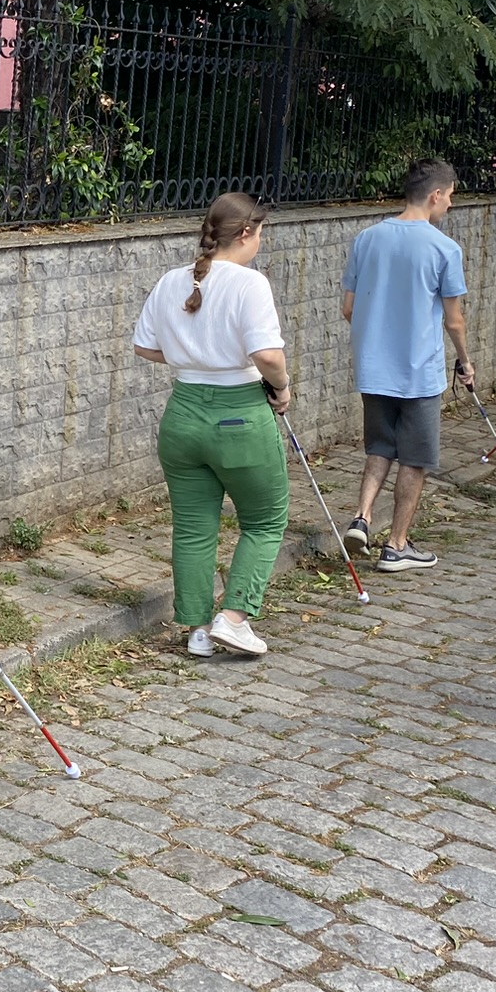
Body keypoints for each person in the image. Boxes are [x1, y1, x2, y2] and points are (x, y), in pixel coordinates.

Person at [132, 193, 291, 658]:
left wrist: (191, 354)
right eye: (259, 232)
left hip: (182, 414)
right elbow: (266, 355)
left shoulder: (170, 281)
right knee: (264, 520)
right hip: (238, 412)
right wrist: (281, 388)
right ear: (245, 234)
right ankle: (234, 617)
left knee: (193, 526)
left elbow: (145, 346)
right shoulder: (249, 284)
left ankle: (198, 630)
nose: (260, 241)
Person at [341, 158, 473, 572]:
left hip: (373, 368)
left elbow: (349, 307)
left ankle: (362, 517)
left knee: (380, 447)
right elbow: (454, 319)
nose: (450, 205)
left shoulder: (366, 239)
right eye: (450, 196)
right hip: (419, 372)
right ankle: (397, 545)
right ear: (436, 195)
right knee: (414, 459)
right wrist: (465, 362)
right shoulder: (444, 248)